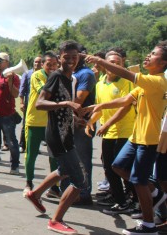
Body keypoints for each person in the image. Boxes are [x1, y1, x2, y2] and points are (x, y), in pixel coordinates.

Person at [83, 41, 167, 235]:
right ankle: (155, 194)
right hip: (137, 136)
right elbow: (127, 100)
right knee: (118, 166)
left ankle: (148, 225)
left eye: (153, 54)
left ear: (162, 63)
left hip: (149, 138)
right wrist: (99, 107)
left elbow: (126, 74)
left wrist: (99, 60)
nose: (148, 56)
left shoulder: (157, 82)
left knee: (139, 181)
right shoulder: (148, 80)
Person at [24, 40, 87, 235]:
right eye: (66, 58)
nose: (70, 61)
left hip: (66, 132)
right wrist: (67, 103)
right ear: (59, 58)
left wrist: (75, 121)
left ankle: (35, 194)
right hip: (56, 135)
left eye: (74, 57)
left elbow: (65, 110)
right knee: (80, 181)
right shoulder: (56, 77)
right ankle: (56, 220)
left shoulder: (72, 79)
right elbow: (40, 103)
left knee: (62, 170)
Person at [90, 49, 136, 214]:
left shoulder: (127, 82)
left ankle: (135, 199)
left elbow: (125, 107)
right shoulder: (100, 83)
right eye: (111, 62)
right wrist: (90, 122)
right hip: (108, 133)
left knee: (121, 167)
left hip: (125, 132)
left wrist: (107, 123)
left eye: (118, 63)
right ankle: (121, 201)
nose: (114, 65)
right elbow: (99, 108)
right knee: (109, 168)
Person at [23, 52, 60, 197]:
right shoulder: (36, 75)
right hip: (34, 121)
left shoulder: (59, 76)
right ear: (43, 64)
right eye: (48, 64)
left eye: (54, 64)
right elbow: (44, 92)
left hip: (51, 123)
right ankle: (29, 182)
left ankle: (54, 187)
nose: (51, 67)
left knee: (54, 157)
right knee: (31, 155)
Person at [70, 44, 97, 206]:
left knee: (83, 159)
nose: (72, 59)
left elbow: (78, 100)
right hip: (71, 121)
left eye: (76, 55)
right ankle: (74, 190)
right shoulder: (73, 73)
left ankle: (84, 193)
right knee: (71, 159)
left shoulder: (85, 74)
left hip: (81, 123)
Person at [19, 56, 42, 153]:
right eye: (35, 62)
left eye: (39, 62)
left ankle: (35, 146)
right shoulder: (27, 73)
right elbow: (22, 88)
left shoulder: (43, 74)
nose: (37, 64)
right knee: (26, 124)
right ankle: (23, 145)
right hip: (29, 103)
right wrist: (21, 102)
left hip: (40, 104)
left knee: (39, 125)